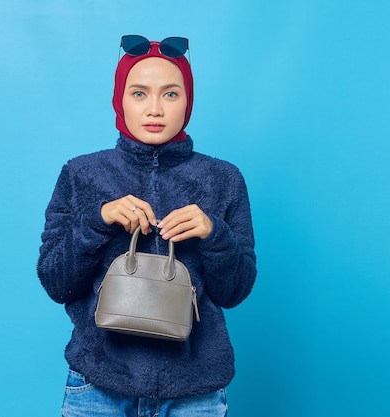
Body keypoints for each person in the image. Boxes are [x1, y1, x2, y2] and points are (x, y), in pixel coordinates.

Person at [37, 35, 257, 417]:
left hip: (195, 390)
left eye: (170, 94)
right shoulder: (81, 174)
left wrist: (213, 234)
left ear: (188, 100)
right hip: (98, 384)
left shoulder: (223, 179)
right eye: (139, 93)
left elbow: (234, 292)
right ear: (119, 98)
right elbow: (56, 283)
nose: (155, 108)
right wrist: (98, 219)